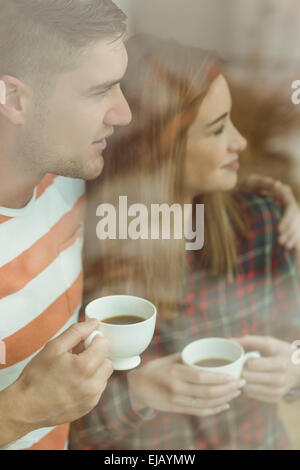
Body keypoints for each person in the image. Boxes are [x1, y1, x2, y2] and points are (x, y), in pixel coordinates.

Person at [70, 34, 300, 450]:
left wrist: (294, 371)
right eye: (217, 130)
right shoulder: (82, 257)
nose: (241, 143)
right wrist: (136, 393)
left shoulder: (266, 224)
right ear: (160, 150)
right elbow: (59, 428)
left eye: (233, 121)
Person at [0, 0, 132, 450]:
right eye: (100, 92)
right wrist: (18, 412)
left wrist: (271, 196)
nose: (123, 113)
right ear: (15, 100)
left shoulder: (67, 176)